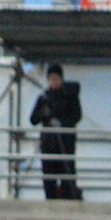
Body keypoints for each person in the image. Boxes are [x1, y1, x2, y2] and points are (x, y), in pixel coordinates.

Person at [30, 63, 82, 200]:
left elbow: (76, 116)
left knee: (67, 180)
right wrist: (45, 115)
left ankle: (68, 206)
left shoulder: (69, 96)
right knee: (49, 181)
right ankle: (50, 206)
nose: (53, 82)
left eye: (56, 78)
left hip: (65, 145)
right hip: (49, 146)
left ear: (61, 79)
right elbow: (33, 119)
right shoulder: (44, 98)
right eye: (51, 79)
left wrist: (62, 123)